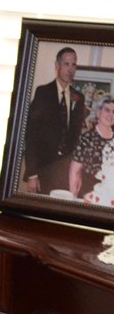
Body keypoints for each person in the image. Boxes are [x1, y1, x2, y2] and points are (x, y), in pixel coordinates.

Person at [21, 46, 86, 194]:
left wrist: (77, 172)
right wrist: (32, 174)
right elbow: (31, 135)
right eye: (66, 64)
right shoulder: (43, 93)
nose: (70, 69)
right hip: (43, 169)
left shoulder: (78, 98)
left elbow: (76, 137)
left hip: (66, 171)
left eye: (73, 64)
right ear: (57, 66)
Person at [70, 95, 114, 199]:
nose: (111, 115)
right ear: (98, 113)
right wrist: (72, 196)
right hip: (89, 193)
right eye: (107, 110)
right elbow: (74, 170)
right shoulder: (87, 138)